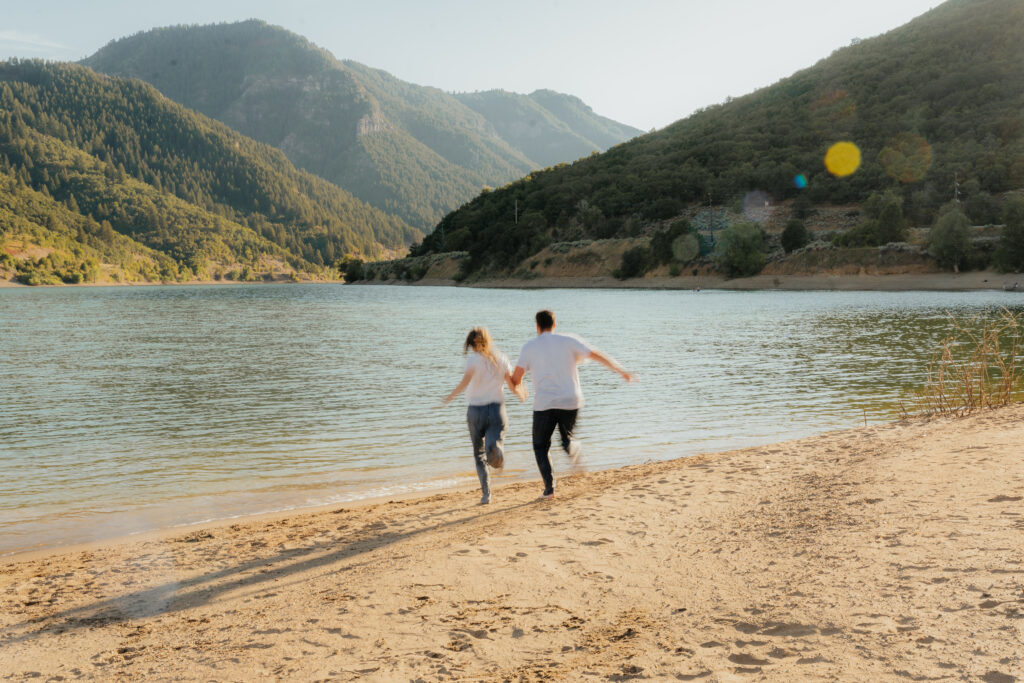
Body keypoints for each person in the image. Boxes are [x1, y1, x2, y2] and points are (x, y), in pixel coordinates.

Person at [511, 309, 632, 498]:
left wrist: (517, 386)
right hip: (571, 400)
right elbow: (595, 354)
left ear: (537, 327)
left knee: (540, 446)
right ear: (554, 324)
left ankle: (549, 490)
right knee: (566, 438)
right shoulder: (568, 340)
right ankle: (572, 446)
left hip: (545, 403)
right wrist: (620, 370)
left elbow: (516, 378)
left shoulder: (529, 347)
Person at [440, 327, 526, 504]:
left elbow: (464, 383)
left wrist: (449, 397)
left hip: (475, 411)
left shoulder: (472, 361)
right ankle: (495, 448)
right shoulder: (501, 358)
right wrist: (521, 394)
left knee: (479, 454)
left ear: (471, 345)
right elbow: (511, 385)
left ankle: (486, 495)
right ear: (488, 340)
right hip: (496, 409)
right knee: (493, 442)